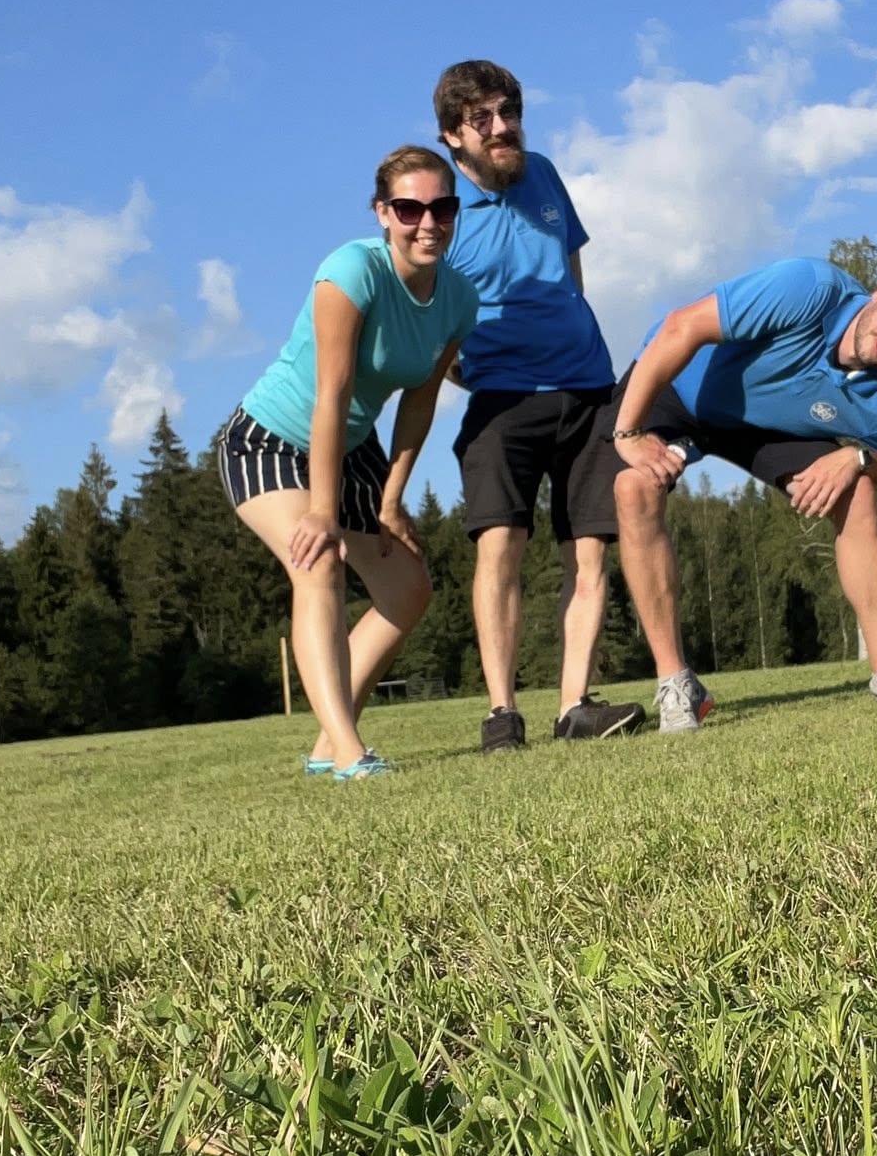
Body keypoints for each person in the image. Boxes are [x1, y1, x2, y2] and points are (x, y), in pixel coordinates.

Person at [599, 256, 877, 729]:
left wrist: (857, 458)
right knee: (635, 488)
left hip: (762, 427)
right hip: (682, 386)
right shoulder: (808, 287)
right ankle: (677, 683)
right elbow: (680, 327)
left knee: (855, 491)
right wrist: (627, 433)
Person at [218, 148, 477, 779]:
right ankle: (349, 753)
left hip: (352, 446)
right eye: (409, 209)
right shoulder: (350, 271)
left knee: (408, 589)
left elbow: (419, 403)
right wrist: (321, 511)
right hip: (269, 440)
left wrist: (391, 499)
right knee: (318, 562)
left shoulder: (459, 298)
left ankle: (324, 747)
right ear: (383, 213)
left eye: (442, 208)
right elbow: (330, 397)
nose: (428, 223)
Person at [435, 58, 644, 751]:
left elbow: (570, 274)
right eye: (482, 119)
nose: (502, 128)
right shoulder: (440, 213)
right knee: (502, 546)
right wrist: (478, 373)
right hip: (502, 402)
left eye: (509, 113)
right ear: (452, 135)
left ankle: (574, 706)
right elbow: (430, 325)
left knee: (590, 552)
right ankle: (502, 715)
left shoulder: (545, 174)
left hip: (588, 390)